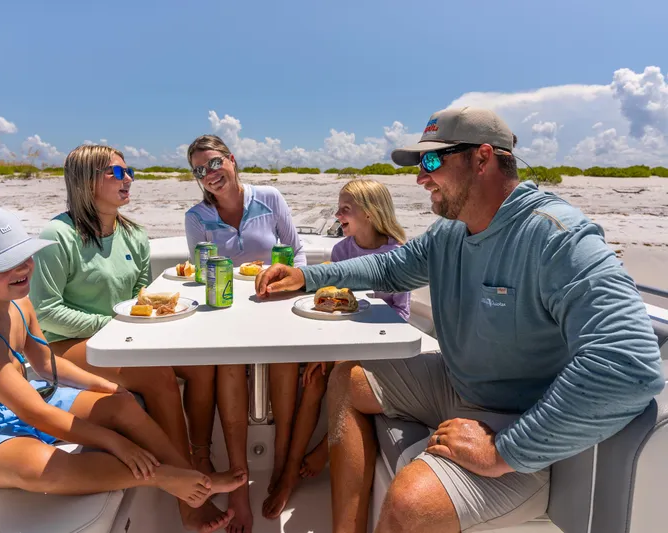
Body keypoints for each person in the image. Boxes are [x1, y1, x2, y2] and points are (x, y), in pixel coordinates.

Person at [256, 106, 665, 533]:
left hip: (516, 417)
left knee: (410, 503)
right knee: (346, 377)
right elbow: (388, 269)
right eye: (419, 164)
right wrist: (307, 277)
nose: (420, 177)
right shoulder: (450, 231)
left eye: (432, 161)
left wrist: (504, 451)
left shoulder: (555, 236)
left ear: (483, 158)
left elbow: (629, 363)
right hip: (454, 382)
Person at [0, 207, 246, 532]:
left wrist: (103, 386)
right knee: (40, 469)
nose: (22, 267)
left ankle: (192, 482)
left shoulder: (20, 303)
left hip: (25, 404)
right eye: (2, 266)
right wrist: (114, 441)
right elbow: (38, 414)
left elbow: (45, 363)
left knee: (120, 402)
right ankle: (164, 478)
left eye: (24, 256)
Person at [28, 146, 223, 508]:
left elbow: (138, 295)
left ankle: (200, 458)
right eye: (116, 173)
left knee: (203, 365)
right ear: (86, 181)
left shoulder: (134, 234)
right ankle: (191, 494)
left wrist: (152, 314)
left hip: (123, 335)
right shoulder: (58, 236)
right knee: (157, 376)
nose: (129, 178)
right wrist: (113, 324)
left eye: (128, 170)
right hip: (67, 345)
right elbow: (47, 313)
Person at [261, 178, 411, 519]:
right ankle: (288, 475)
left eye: (346, 209)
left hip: (380, 344)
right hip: (341, 338)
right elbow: (329, 305)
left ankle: (322, 450)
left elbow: (401, 313)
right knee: (313, 379)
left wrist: (346, 348)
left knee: (342, 378)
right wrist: (323, 351)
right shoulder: (341, 251)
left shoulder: (397, 253)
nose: (338, 214)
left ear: (371, 214)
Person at [184, 134, 306, 533]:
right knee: (229, 364)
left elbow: (297, 253)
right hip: (225, 314)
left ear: (232, 160)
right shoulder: (196, 218)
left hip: (275, 305)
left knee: (286, 364)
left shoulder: (269, 198)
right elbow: (201, 274)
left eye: (215, 163)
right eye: (200, 170)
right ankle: (238, 482)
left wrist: (287, 292)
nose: (209, 174)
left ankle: (285, 464)